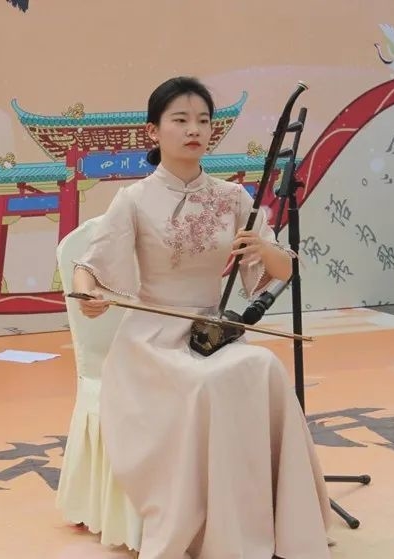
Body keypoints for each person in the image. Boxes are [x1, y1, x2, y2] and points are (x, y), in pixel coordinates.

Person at [71, 76, 334, 559]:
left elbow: (283, 270)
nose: (194, 129)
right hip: (151, 342)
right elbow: (89, 267)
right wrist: (88, 293)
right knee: (211, 383)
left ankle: (267, 524)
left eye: (203, 120)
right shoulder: (133, 199)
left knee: (264, 367)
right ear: (153, 131)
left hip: (209, 333)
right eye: (180, 120)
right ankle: (216, 533)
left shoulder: (231, 197)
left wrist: (264, 248)